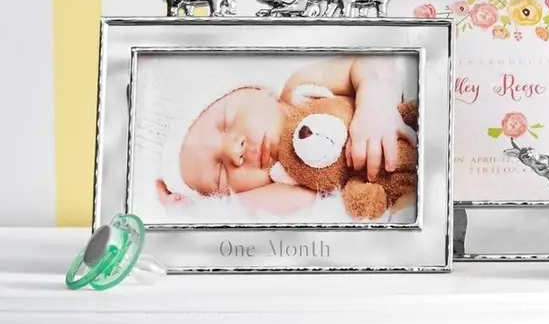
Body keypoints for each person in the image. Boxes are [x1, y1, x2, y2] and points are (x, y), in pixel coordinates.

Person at [156, 56, 416, 216]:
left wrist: (375, 100)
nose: (235, 151)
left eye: (226, 123)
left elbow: (370, 58)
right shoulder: (286, 184)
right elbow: (298, 203)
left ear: (257, 89)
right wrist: (194, 210)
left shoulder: (300, 89)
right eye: (221, 175)